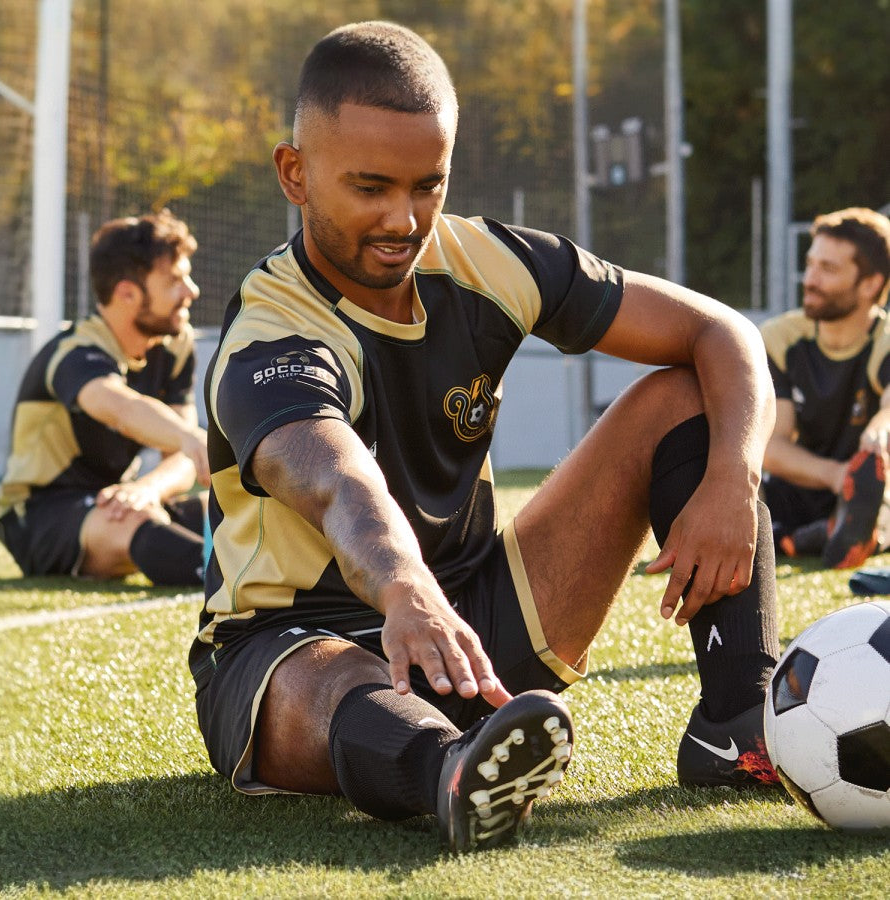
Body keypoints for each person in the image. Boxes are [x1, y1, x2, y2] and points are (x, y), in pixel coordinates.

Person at [191, 21, 781, 853]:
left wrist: (733, 478)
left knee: (682, 394)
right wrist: (403, 590)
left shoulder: (484, 261)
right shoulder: (271, 335)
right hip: (291, 646)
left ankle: (740, 727)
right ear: (295, 173)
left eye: (425, 185)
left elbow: (723, 332)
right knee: (324, 674)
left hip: (476, 634)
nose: (403, 218)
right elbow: (340, 481)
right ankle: (455, 771)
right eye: (369, 188)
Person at [0, 209, 210, 586]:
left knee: (223, 510)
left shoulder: (175, 345)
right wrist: (190, 437)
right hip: (41, 515)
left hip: (116, 500)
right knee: (134, 521)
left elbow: (182, 460)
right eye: (175, 280)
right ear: (127, 292)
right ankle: (232, 581)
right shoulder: (75, 352)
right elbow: (119, 407)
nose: (191, 291)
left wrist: (145, 489)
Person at [760, 207, 890, 569]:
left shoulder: (885, 340)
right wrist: (839, 477)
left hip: (875, 492)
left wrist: (878, 435)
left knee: (880, 495)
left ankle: (837, 532)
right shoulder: (779, 338)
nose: (810, 279)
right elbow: (772, 445)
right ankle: (818, 533)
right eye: (811, 264)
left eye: (827, 269)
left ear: (870, 284)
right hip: (805, 483)